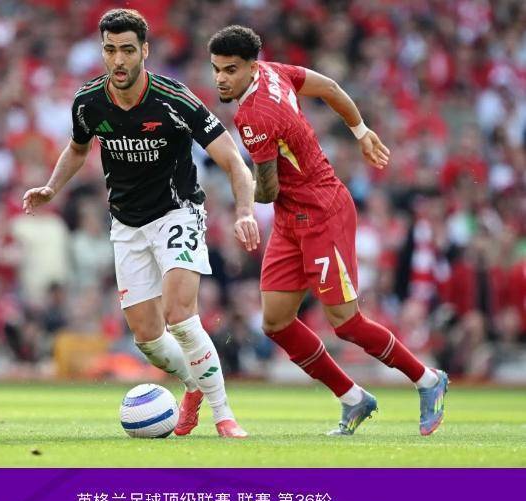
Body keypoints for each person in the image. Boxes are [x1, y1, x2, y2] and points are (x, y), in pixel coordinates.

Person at [23, 10, 261, 438]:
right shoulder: (88, 102)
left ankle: (224, 415)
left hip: (177, 212)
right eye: (110, 49)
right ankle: (193, 385)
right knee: (148, 338)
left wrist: (244, 210)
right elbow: (77, 149)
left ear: (145, 51)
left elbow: (232, 160)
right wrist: (51, 187)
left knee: (180, 317)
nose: (118, 60)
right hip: (126, 225)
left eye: (128, 50)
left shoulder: (174, 99)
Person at [208, 25, 449, 436]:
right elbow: (331, 88)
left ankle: (428, 379)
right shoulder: (274, 72)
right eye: (216, 69)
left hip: (322, 213)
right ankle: (353, 398)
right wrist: (361, 131)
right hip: (291, 217)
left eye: (230, 70)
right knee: (276, 322)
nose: (220, 79)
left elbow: (267, 190)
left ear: (251, 67)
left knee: (345, 322)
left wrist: (234, 182)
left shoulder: (254, 116)